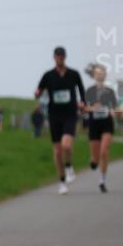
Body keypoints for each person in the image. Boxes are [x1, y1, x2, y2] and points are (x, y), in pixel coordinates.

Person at [34, 46, 86, 195]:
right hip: (54, 115)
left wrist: (82, 102)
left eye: (61, 56)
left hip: (70, 114)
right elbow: (39, 90)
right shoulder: (48, 75)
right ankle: (62, 182)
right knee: (57, 152)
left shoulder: (73, 74)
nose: (59, 58)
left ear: (65, 57)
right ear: (54, 58)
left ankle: (69, 166)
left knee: (66, 144)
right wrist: (37, 93)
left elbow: (81, 89)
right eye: (57, 56)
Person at [83, 65, 118, 192]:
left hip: (107, 123)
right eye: (97, 73)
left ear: (105, 75)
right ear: (94, 75)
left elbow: (115, 106)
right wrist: (92, 108)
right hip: (94, 124)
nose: (100, 75)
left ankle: (102, 180)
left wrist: (113, 111)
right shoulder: (89, 91)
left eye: (102, 73)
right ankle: (93, 160)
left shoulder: (110, 91)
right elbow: (84, 108)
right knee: (96, 157)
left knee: (104, 151)